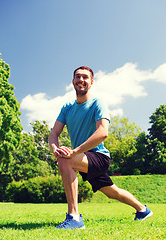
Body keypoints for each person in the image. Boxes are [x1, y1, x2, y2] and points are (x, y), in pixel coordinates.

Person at [48, 66, 152, 229]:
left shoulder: (97, 103)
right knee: (113, 192)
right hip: (82, 158)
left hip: (99, 157)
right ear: (73, 81)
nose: (81, 80)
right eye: (77, 77)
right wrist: (55, 149)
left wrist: (74, 152)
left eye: (85, 77)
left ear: (91, 82)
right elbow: (54, 133)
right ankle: (143, 210)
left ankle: (74, 218)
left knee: (65, 161)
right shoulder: (67, 107)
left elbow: (102, 132)